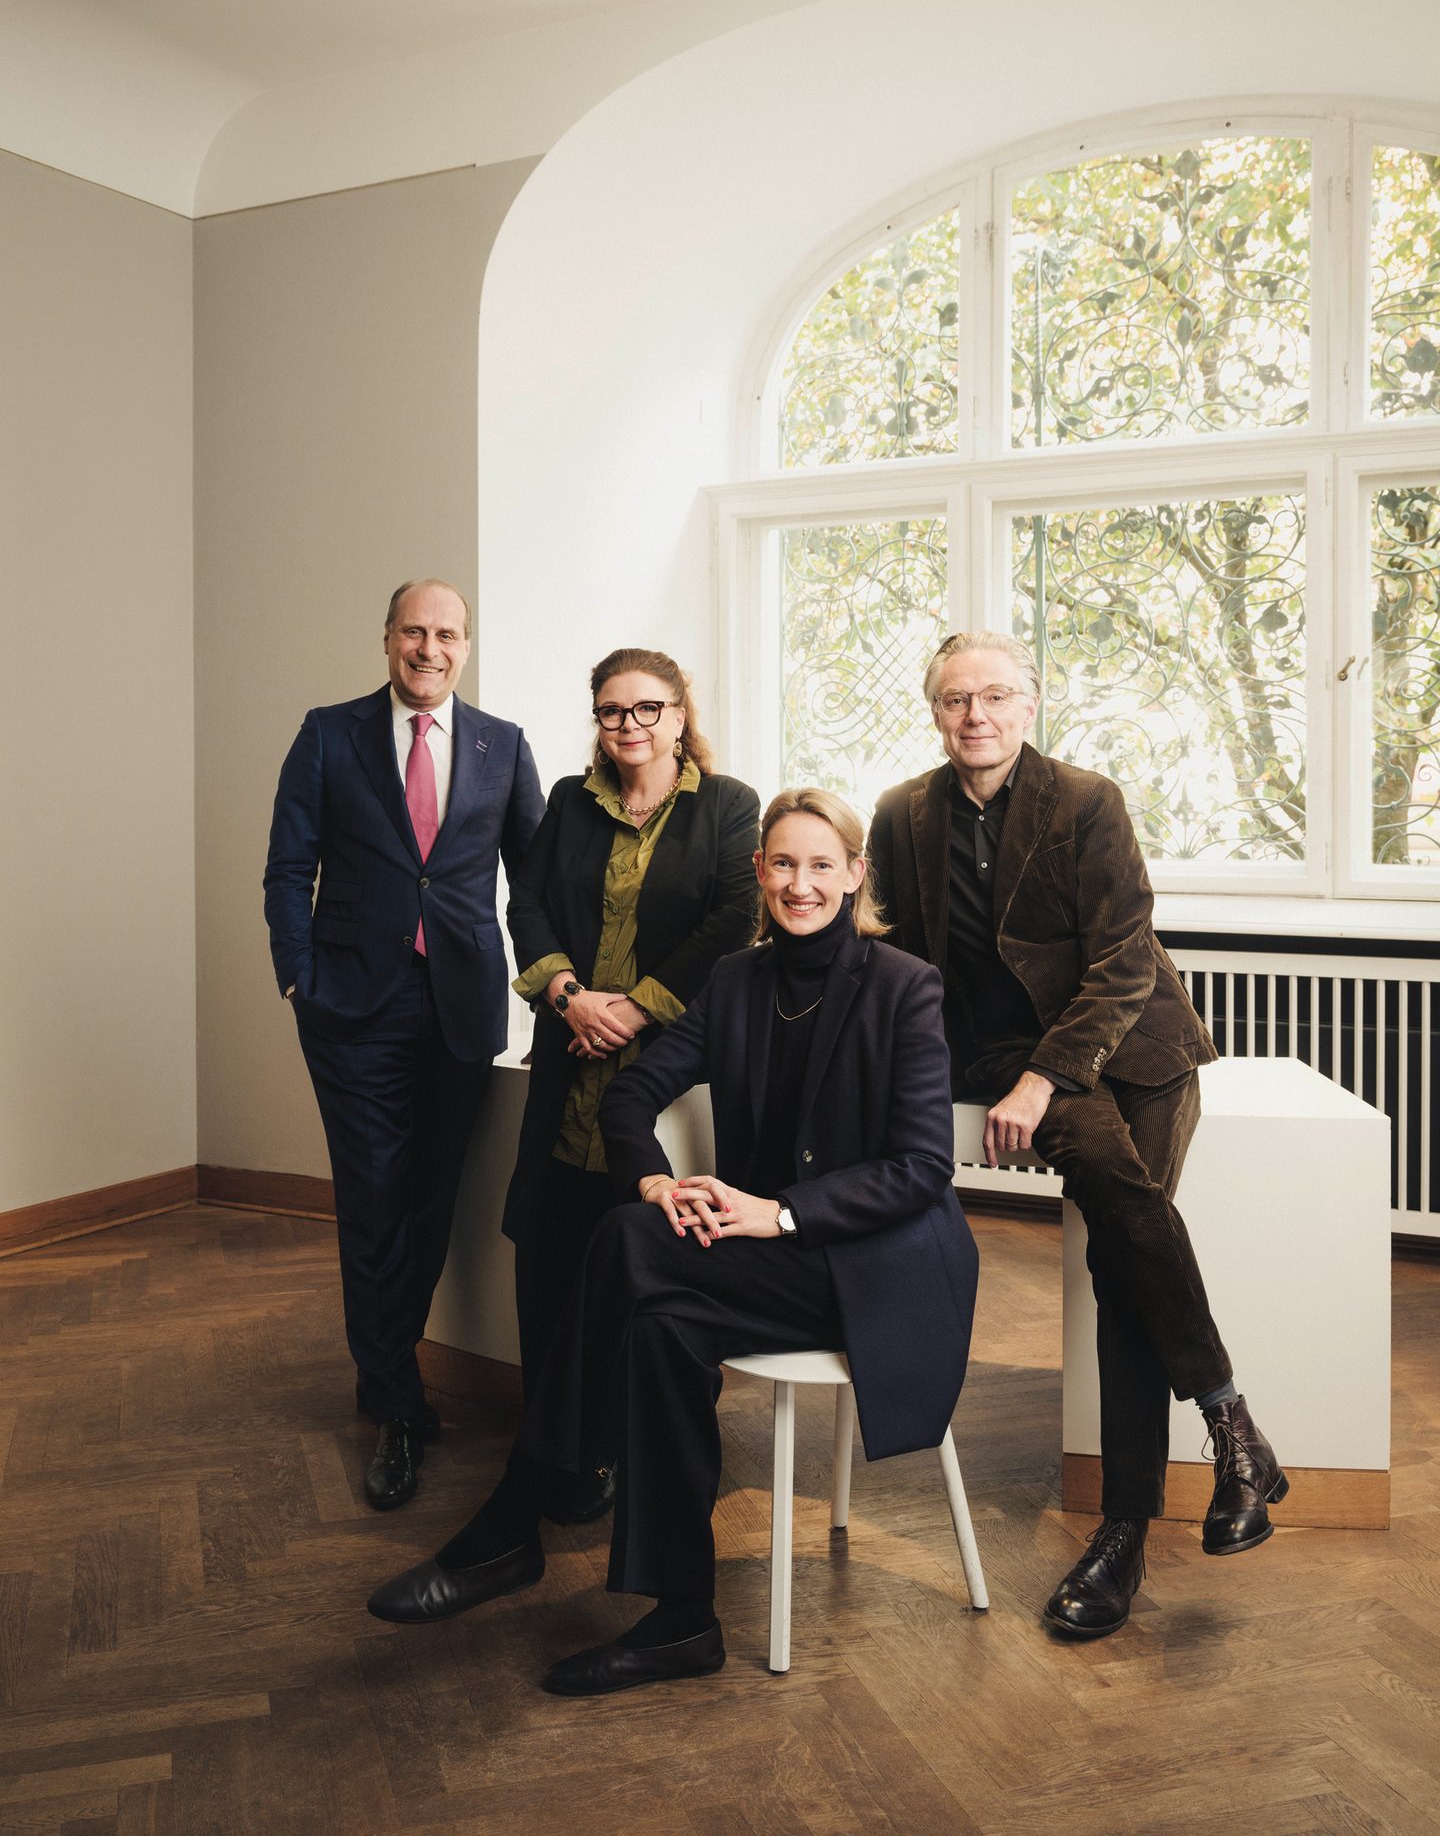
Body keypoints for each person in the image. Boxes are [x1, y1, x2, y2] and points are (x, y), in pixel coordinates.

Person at [367, 788, 980, 1696]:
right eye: (781, 863)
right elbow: (629, 1095)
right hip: (764, 1257)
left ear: (856, 876)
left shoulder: (906, 987)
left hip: (872, 1269)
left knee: (624, 1242)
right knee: (660, 1328)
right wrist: (658, 1181)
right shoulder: (736, 980)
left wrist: (776, 1214)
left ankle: (515, 1517)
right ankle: (681, 1622)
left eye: (821, 866)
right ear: (760, 873)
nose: (799, 884)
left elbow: (925, 1168)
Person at [868, 630, 1287, 1639]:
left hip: (1133, 1049)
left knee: (1119, 1263)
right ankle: (1234, 1430)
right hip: (998, 1054)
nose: (978, 715)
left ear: (1031, 704)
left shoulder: (1085, 800)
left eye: (997, 696)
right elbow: (900, 960)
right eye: (957, 699)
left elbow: (1122, 962)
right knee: (1125, 1239)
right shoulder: (899, 815)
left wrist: (1047, 1076)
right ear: (934, 711)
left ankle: (1125, 1536)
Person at [264, 579, 543, 1512]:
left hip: (460, 1008)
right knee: (373, 1197)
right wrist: (299, 974)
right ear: (388, 638)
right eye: (414, 631)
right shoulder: (328, 732)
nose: (431, 647)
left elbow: (534, 883)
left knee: (429, 1199)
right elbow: (287, 864)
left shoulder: (502, 746)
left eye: (448, 633)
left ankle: (383, 1364)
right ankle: (394, 1402)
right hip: (351, 1007)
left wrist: (556, 984)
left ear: (466, 644)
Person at [501, 648, 759, 1519]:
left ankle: (629, 1443)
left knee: (647, 1251)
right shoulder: (571, 804)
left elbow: (733, 920)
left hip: (666, 1069)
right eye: (613, 713)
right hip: (565, 1052)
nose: (630, 728)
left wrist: (635, 1012)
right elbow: (524, 904)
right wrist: (572, 998)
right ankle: (556, 1448)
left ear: (681, 715)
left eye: (648, 710)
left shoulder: (728, 807)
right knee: (547, 1244)